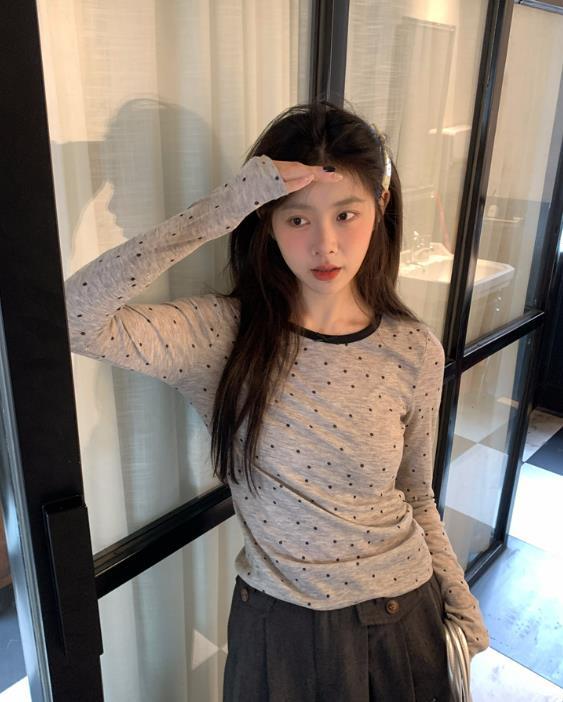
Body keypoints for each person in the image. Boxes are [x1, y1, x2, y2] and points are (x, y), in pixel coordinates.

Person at [64, 99, 489, 701]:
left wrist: (460, 600)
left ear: (381, 206)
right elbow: (72, 318)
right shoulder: (220, 336)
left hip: (405, 617)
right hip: (281, 630)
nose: (325, 245)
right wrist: (222, 208)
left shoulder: (412, 347)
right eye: (297, 219)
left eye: (346, 214)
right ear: (265, 220)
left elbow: (415, 493)